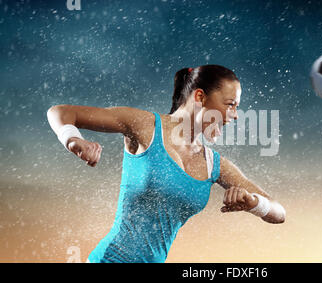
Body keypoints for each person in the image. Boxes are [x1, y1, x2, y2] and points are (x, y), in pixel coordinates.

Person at [47, 64, 286, 263]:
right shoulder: (146, 127)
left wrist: (254, 203)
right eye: (230, 104)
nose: (234, 115)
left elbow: (278, 213)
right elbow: (60, 112)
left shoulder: (215, 165)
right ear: (200, 96)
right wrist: (73, 140)